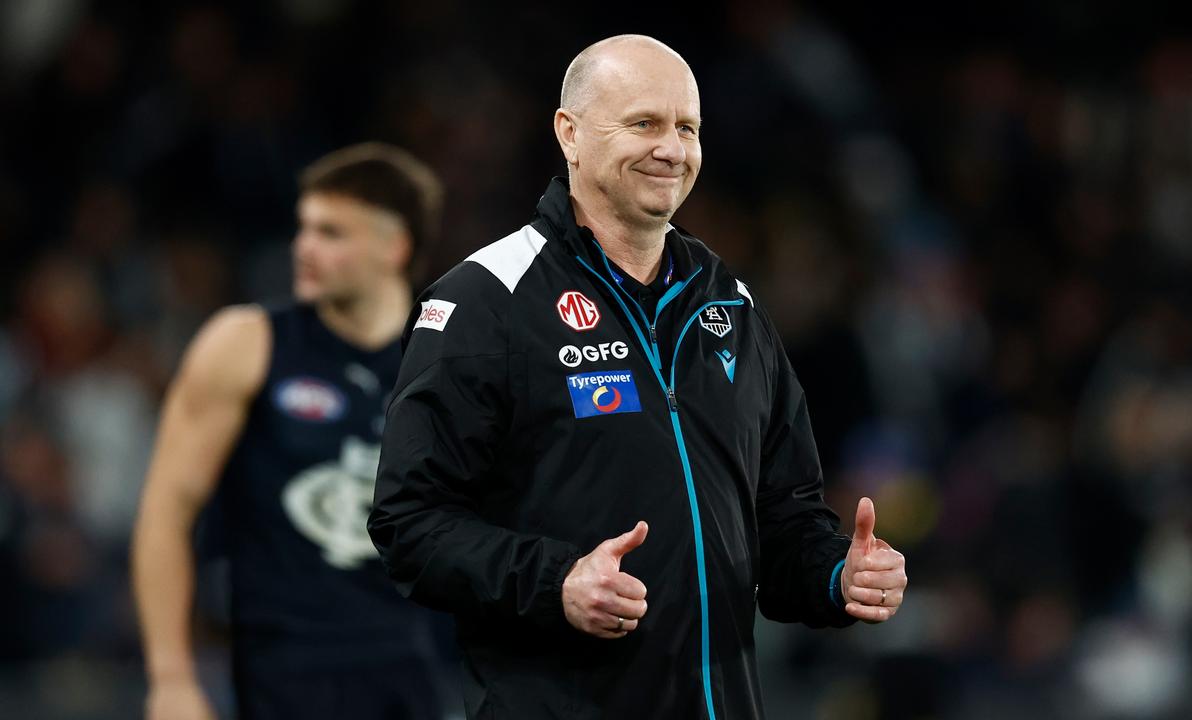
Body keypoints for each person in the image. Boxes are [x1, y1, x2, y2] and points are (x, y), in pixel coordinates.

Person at [369, 35, 908, 719]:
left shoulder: (730, 307)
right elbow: (408, 522)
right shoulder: (486, 300)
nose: (673, 149)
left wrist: (838, 574)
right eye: (644, 123)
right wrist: (555, 582)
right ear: (570, 134)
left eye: (688, 127)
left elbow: (780, 521)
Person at [132, 142, 449, 720]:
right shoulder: (245, 345)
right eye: (303, 228)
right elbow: (166, 513)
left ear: (394, 247)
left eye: (331, 233)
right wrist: (171, 677)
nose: (303, 247)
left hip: (426, 674)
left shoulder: (454, 361)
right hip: (286, 674)